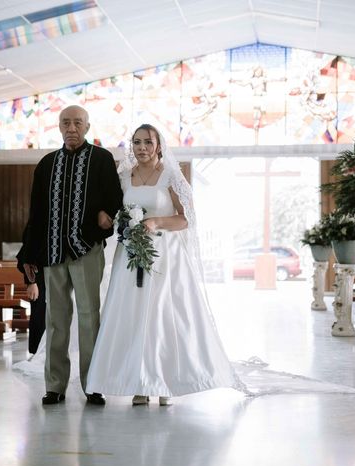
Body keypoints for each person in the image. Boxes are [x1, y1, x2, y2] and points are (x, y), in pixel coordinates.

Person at [85, 124, 243, 406]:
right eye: (137, 142)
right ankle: (141, 384)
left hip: (166, 255)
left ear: (159, 146)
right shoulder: (123, 177)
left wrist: (157, 221)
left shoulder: (171, 176)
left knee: (163, 317)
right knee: (133, 317)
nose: (142, 147)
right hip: (131, 255)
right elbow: (111, 208)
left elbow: (186, 219)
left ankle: (167, 383)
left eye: (148, 142)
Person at [22, 105, 123, 405]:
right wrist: (29, 252)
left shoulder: (102, 159)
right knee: (56, 319)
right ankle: (54, 385)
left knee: (90, 317)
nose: (71, 128)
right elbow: (36, 213)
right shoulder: (46, 164)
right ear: (59, 127)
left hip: (86, 250)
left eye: (77, 122)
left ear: (87, 127)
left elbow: (115, 199)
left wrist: (105, 217)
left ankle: (92, 384)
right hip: (52, 252)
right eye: (66, 122)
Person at [16, 225, 45, 355]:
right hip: (38, 279)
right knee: (39, 314)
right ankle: (36, 352)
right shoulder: (36, 223)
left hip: (55, 274)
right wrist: (31, 282)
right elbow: (25, 255)